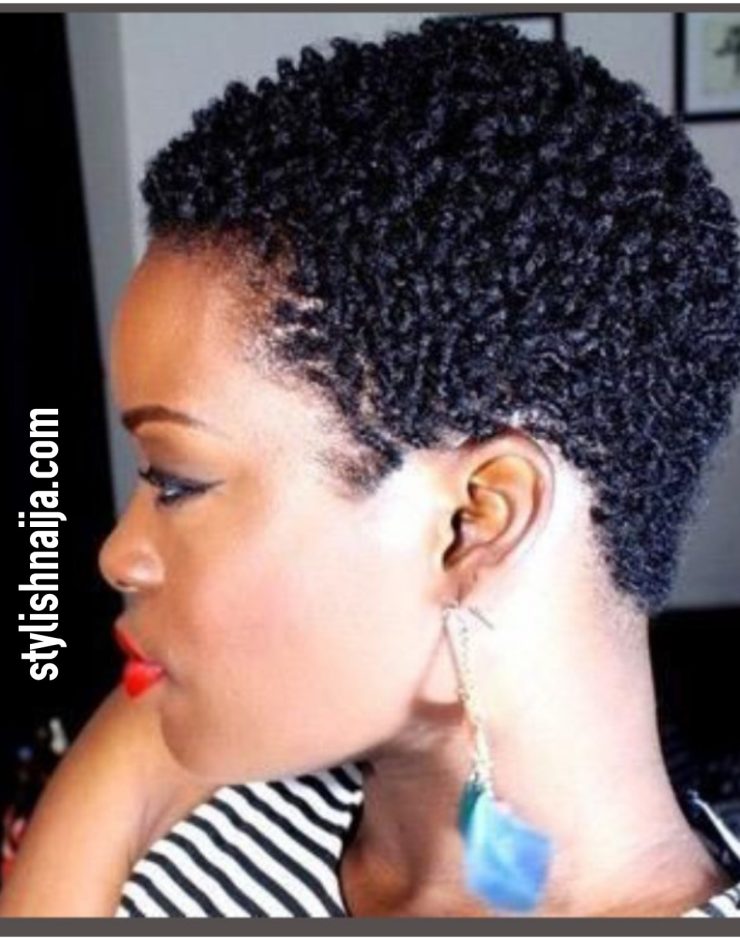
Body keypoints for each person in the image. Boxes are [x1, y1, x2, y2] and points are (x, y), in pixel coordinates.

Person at [1, 14, 740, 918]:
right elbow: (144, 721)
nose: (117, 554)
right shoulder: (183, 800)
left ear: (474, 522)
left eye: (177, 479)